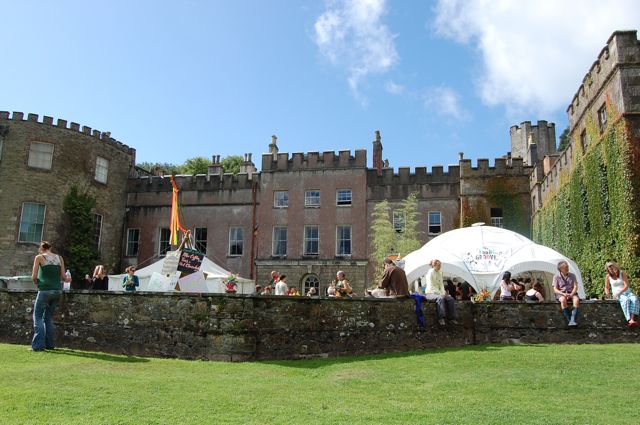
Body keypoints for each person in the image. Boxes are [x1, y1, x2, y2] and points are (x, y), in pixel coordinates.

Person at [30, 241, 70, 351]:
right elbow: (63, 277)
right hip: (57, 290)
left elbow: (33, 276)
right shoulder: (59, 258)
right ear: (50, 248)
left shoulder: (39, 257)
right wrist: (68, 279)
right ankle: (50, 344)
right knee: (48, 317)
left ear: (41, 248)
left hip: (45, 290)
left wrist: (37, 283)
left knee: (37, 317)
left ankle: (38, 346)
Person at [604, 261, 639, 327]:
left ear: (615, 267)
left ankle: (632, 319)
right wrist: (607, 294)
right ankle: (629, 319)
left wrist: (620, 292)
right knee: (626, 300)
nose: (611, 270)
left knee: (635, 299)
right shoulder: (608, 276)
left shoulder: (622, 273)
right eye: (609, 269)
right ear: (608, 270)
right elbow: (606, 287)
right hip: (617, 295)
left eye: (612, 268)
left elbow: (626, 285)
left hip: (627, 292)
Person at [424, 259, 458, 325]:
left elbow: (441, 285)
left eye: (440, 265)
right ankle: (441, 318)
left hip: (439, 293)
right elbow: (431, 286)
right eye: (438, 265)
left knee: (450, 299)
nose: (440, 266)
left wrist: (443, 293)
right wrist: (441, 294)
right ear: (434, 265)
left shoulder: (440, 272)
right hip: (430, 293)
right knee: (440, 298)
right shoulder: (430, 273)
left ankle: (452, 318)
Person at [553, 260, 580, 326]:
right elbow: (555, 289)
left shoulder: (572, 275)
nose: (567, 268)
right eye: (565, 267)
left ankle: (573, 319)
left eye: (567, 266)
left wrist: (571, 294)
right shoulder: (556, 277)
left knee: (576, 300)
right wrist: (563, 294)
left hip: (572, 293)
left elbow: (575, 286)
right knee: (563, 300)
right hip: (561, 293)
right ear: (561, 269)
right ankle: (569, 320)